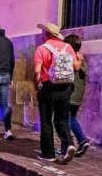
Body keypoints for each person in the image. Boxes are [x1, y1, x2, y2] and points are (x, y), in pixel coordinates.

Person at [33, 22, 79, 163]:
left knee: (46, 121)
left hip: (48, 88)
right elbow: (76, 66)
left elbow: (37, 71)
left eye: (43, 32)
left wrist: (37, 85)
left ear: (47, 34)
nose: (42, 34)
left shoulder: (42, 49)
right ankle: (69, 144)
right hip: (65, 88)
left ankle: (48, 154)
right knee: (62, 119)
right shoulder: (68, 47)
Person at [61, 32, 91, 157]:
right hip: (78, 95)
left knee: (64, 120)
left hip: (70, 93)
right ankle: (82, 140)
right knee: (71, 118)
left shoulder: (71, 59)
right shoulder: (83, 60)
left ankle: (67, 146)